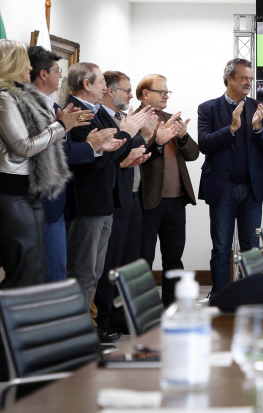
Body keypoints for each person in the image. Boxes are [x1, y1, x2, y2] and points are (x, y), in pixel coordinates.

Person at [0, 40, 87, 381]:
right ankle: (4, 363)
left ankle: (20, 356)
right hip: (7, 193)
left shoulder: (19, 97)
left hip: (26, 192)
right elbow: (23, 147)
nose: (30, 69)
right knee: (21, 277)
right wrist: (63, 127)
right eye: (24, 63)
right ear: (9, 63)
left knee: (31, 277)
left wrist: (59, 126)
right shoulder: (0, 97)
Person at [65, 62, 151, 327]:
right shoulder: (76, 113)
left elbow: (111, 152)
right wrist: (127, 134)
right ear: (87, 84)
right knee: (83, 270)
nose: (105, 88)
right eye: (102, 82)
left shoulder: (96, 112)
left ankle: (88, 326)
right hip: (87, 202)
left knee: (95, 270)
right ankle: (78, 331)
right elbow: (92, 159)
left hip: (104, 201)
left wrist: (130, 145)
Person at [27, 46, 121, 282]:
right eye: (57, 70)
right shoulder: (36, 107)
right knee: (53, 275)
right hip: (41, 199)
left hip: (58, 202)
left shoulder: (57, 108)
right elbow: (52, 151)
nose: (61, 76)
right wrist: (92, 146)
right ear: (43, 74)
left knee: (60, 274)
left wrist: (97, 147)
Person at [198, 58, 263, 294]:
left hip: (252, 189)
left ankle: (249, 293)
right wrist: (231, 128)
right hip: (222, 188)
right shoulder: (208, 108)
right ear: (229, 78)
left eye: (251, 79)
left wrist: (259, 128)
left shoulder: (260, 108)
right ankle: (220, 295)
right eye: (244, 78)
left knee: (251, 247)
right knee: (221, 247)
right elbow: (205, 144)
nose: (248, 83)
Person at [92, 71, 155, 338]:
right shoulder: (100, 118)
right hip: (113, 197)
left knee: (128, 260)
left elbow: (129, 150)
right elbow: (105, 157)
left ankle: (120, 315)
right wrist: (126, 152)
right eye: (127, 90)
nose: (131, 95)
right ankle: (104, 318)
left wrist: (147, 140)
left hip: (132, 195)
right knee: (110, 263)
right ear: (109, 91)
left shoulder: (123, 119)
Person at [137, 74, 198, 306]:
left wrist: (182, 136)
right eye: (161, 92)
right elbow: (139, 157)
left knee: (174, 257)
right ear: (145, 94)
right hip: (149, 200)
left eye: (167, 92)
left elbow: (193, 154)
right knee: (144, 258)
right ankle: (143, 309)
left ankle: (172, 307)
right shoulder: (135, 120)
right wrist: (158, 142)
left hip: (176, 200)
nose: (165, 96)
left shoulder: (169, 119)